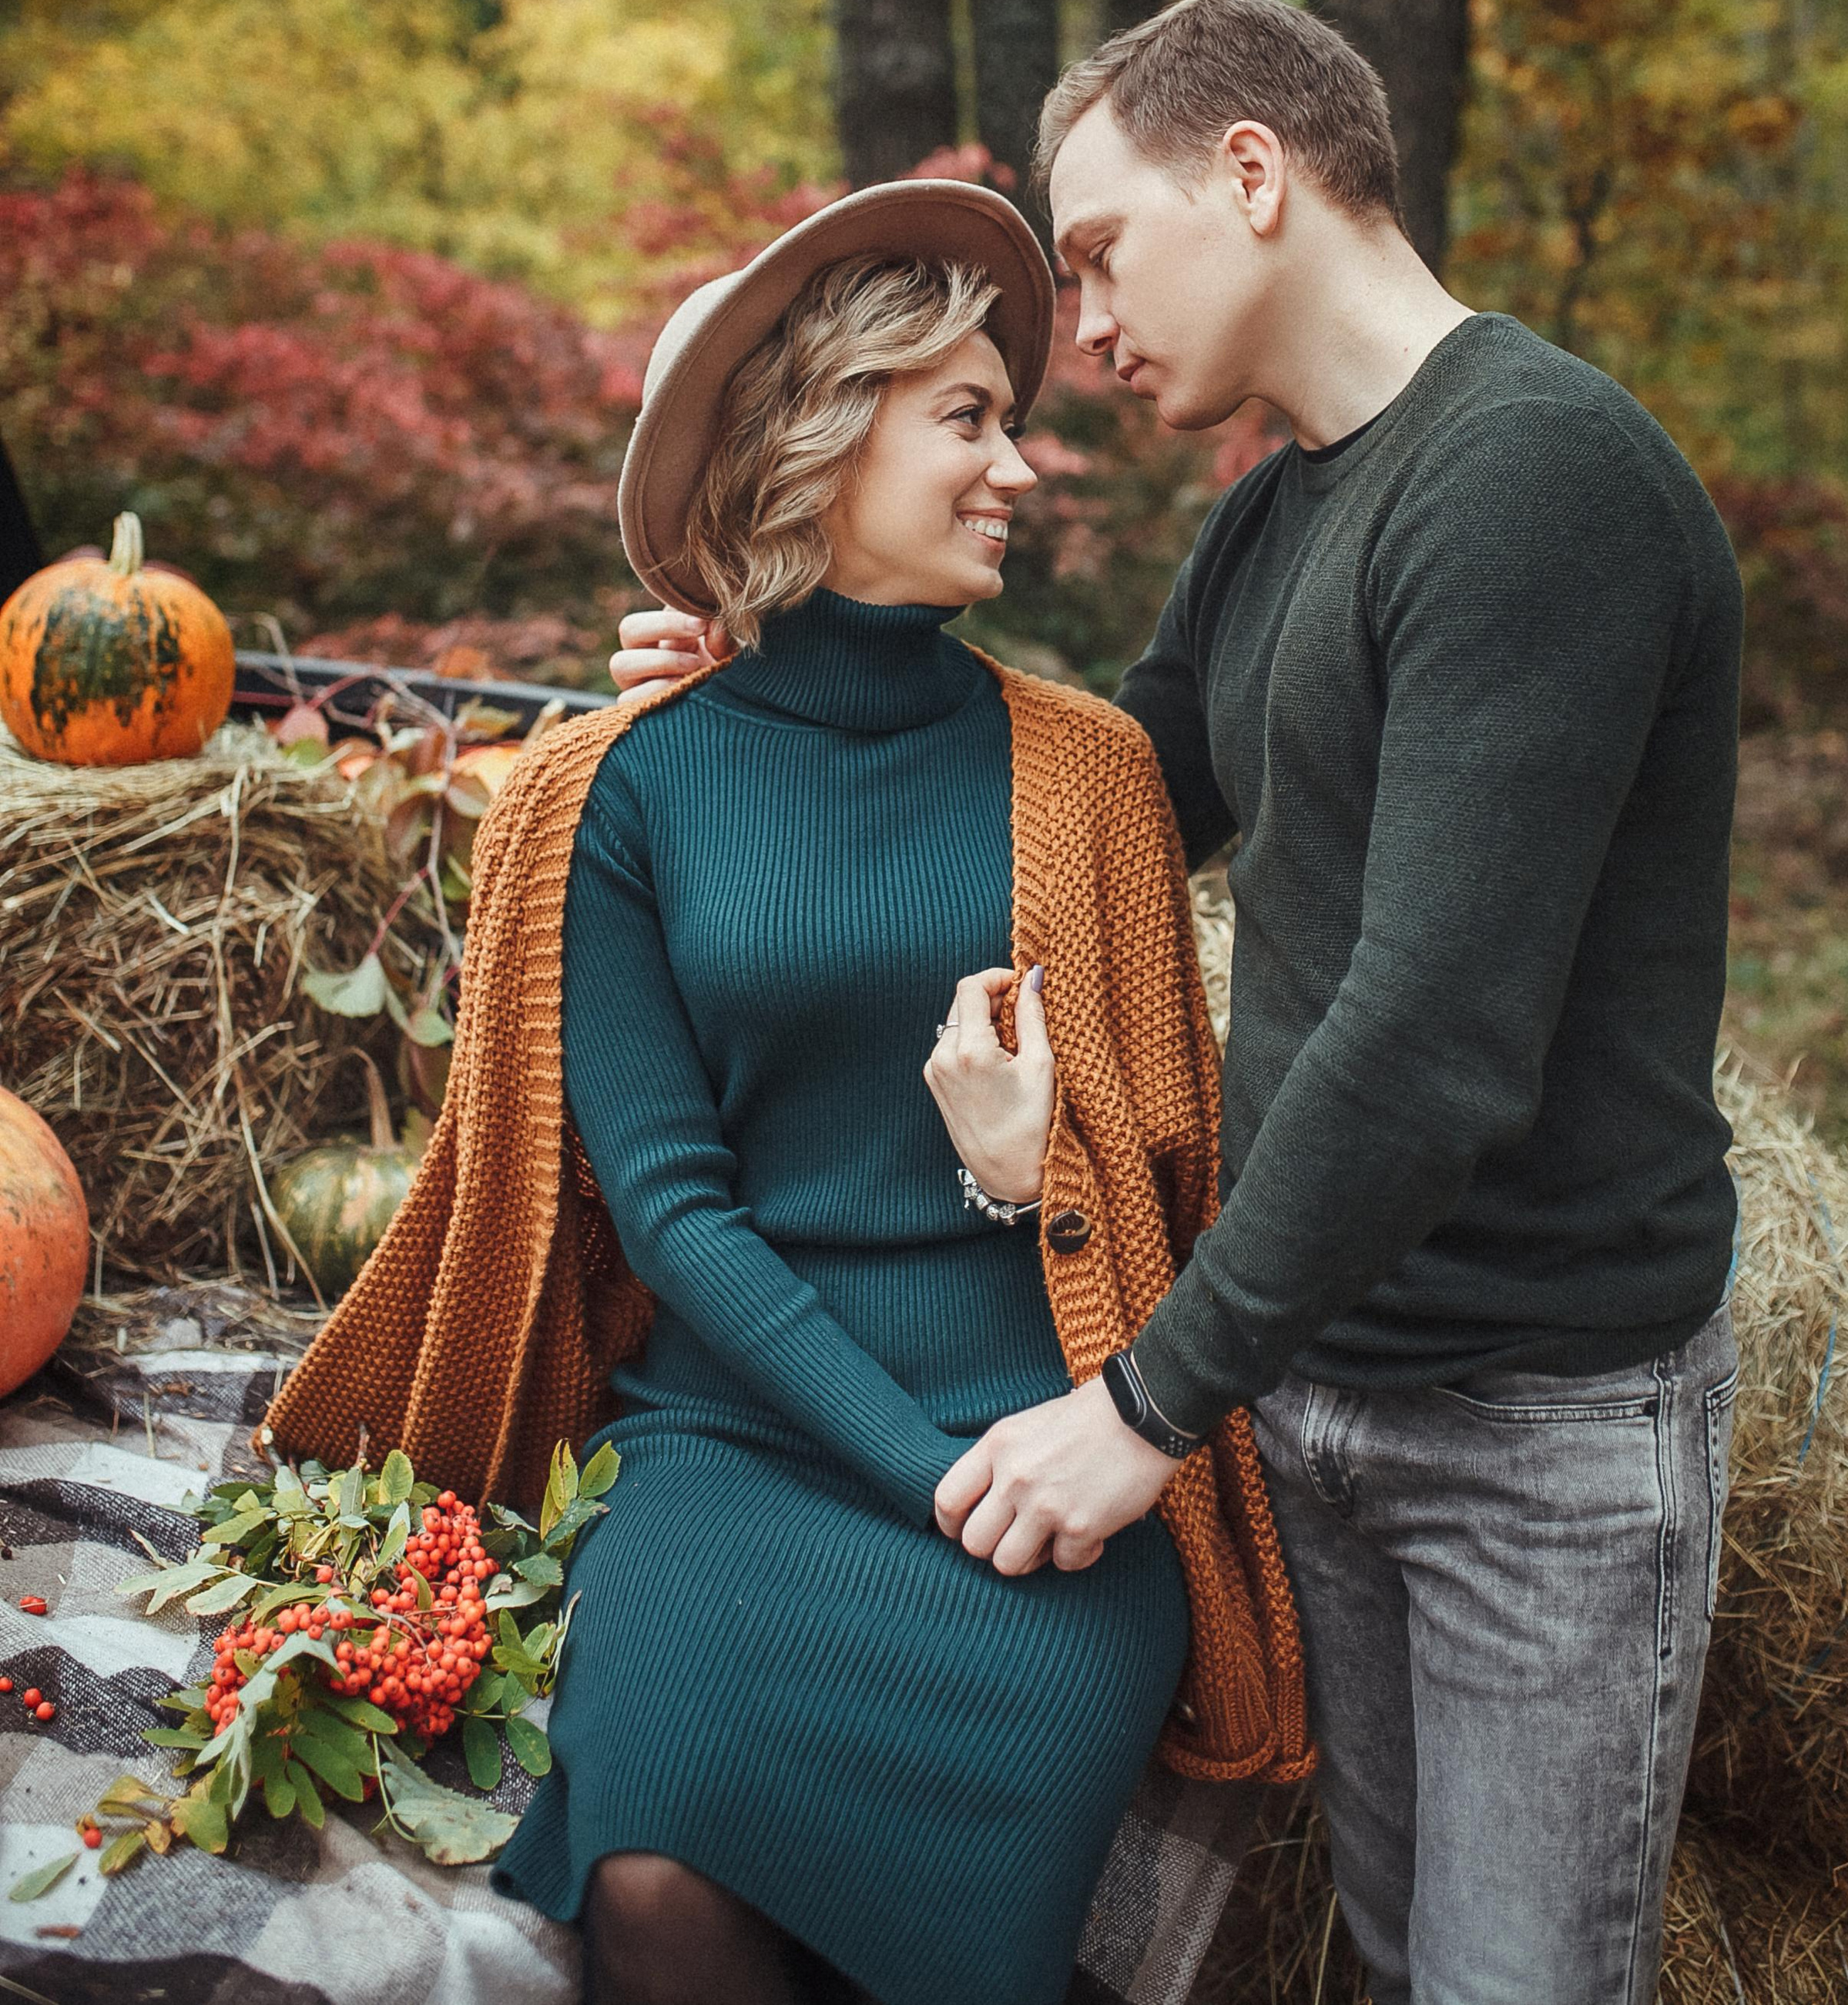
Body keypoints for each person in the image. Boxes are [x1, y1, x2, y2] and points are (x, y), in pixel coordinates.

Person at [615, 0, 1746, 2005]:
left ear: (1254, 172)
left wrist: (1146, 1404)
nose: (1089, 323)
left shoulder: (1531, 479)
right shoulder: (1284, 511)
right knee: (1392, 1961)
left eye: (1103, 250)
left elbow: (1437, 1039)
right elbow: (1094, 791)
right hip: (1315, 1376)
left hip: (1528, 1429)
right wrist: (775, 675)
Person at [267, 176, 1305, 2005]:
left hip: (1048, 1449)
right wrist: (911, 1475)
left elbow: (1163, 1176)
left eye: (1015, 422)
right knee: (658, 1885)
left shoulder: (1089, 777)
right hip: (736, 1439)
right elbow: (667, 1205)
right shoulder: (613, 793)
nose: (1019, 470)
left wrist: (1015, 1179)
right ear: (820, 443)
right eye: (969, 421)